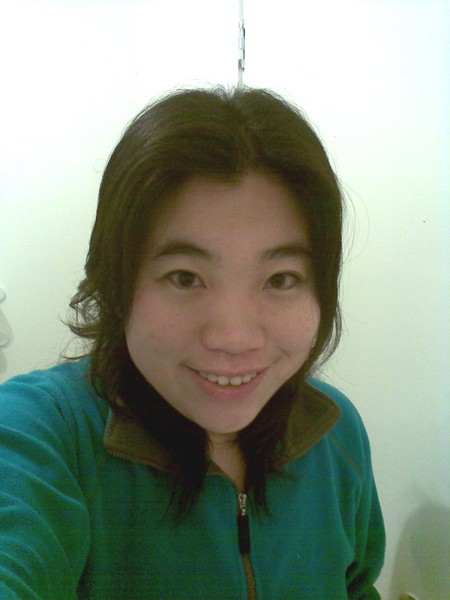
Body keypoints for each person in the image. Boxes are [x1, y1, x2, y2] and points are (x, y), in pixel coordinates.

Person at [0, 87, 385, 599]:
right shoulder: (41, 433)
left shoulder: (336, 432)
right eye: (184, 277)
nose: (233, 338)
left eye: (281, 279)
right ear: (117, 283)